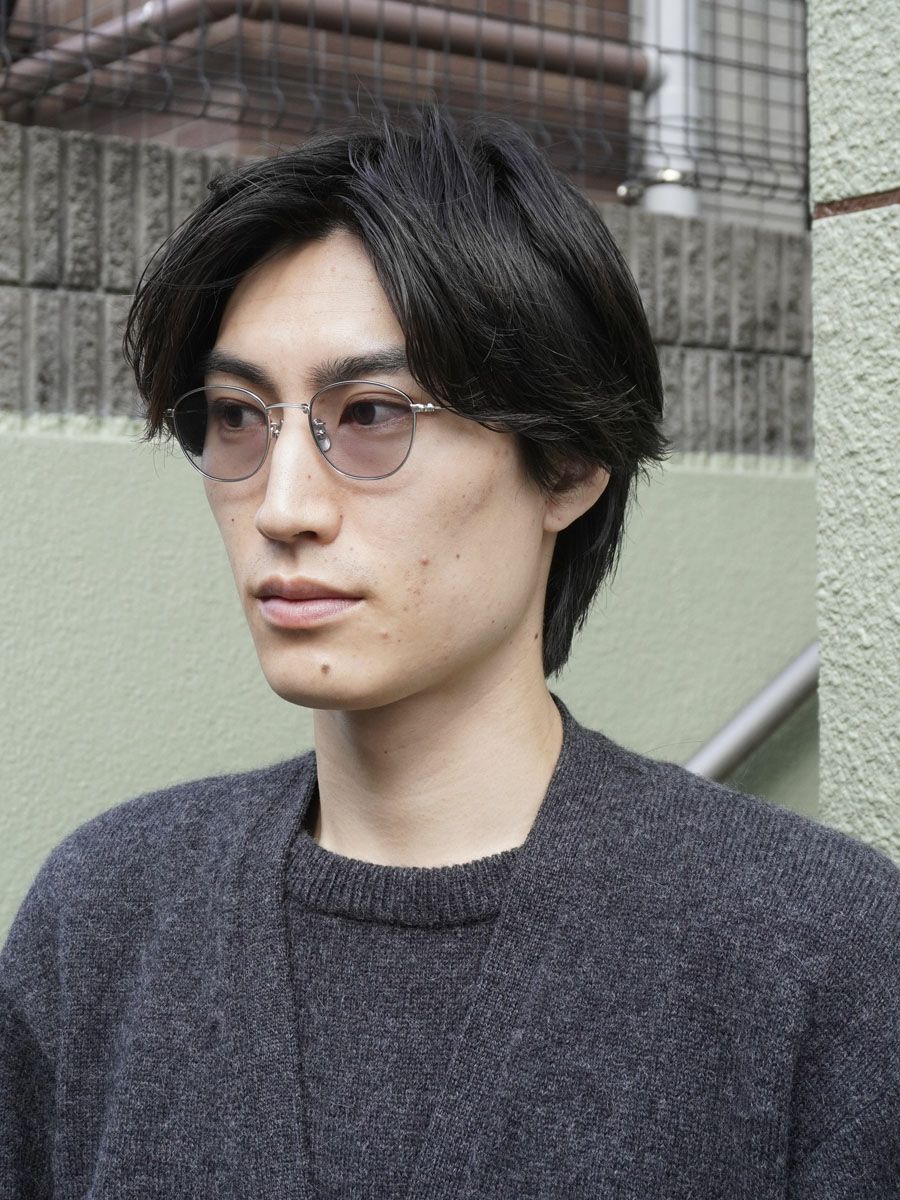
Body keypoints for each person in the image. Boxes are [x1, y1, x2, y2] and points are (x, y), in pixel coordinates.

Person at [1, 105, 898, 1199]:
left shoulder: (820, 952)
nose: (281, 505)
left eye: (372, 413)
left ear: (567, 465)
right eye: (237, 416)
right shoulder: (103, 917)